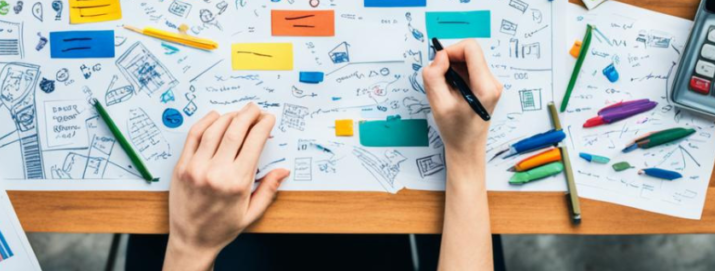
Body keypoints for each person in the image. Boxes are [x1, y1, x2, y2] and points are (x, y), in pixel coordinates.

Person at [139, 40, 503, 271]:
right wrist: (465, 153)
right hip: (382, 236)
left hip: (210, 236)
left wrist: (190, 245)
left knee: (151, 219)